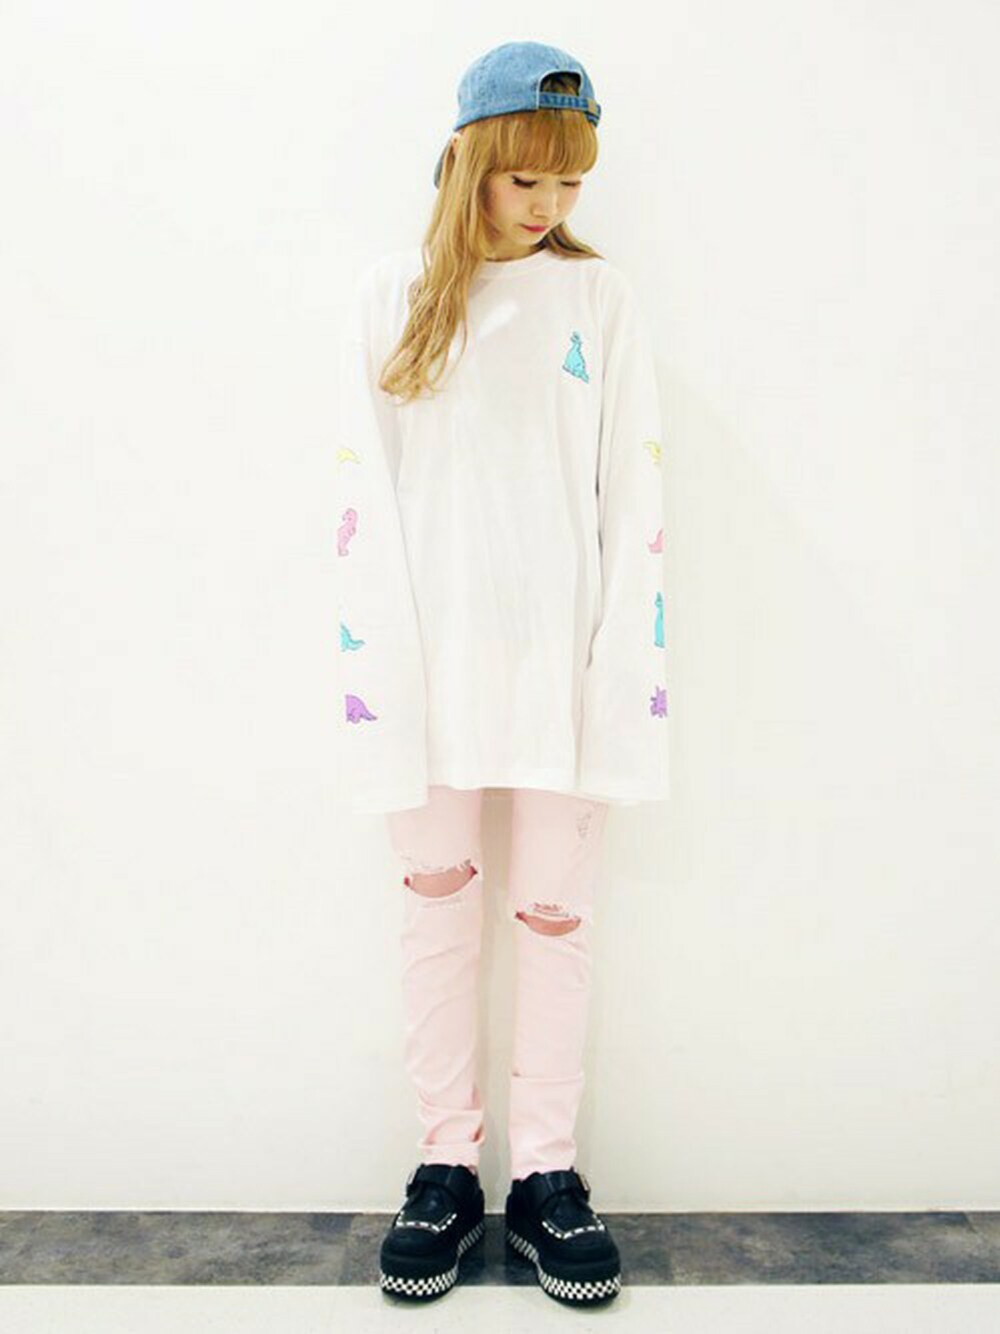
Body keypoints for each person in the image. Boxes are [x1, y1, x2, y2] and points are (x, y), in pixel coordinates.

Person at [333, 40, 670, 1307]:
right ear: (468, 161)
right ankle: (443, 1161)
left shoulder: (599, 301)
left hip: (563, 670)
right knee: (433, 908)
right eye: (525, 178)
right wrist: (381, 670)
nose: (547, 205)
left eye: (568, 182)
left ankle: (544, 1173)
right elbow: (363, 494)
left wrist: (617, 666)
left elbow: (632, 493)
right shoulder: (393, 294)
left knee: (556, 918)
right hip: (425, 667)